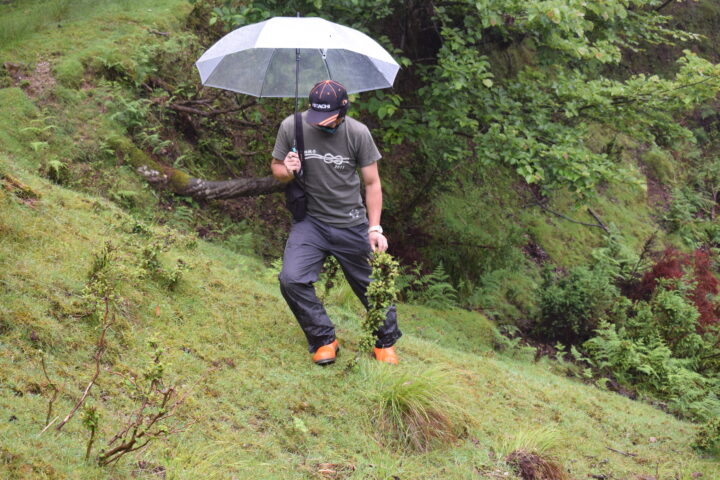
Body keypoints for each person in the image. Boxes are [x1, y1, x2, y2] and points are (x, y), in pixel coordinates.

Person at [271, 80, 402, 366]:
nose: (320, 124)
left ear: (342, 112)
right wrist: (288, 170)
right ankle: (323, 339)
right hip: (311, 222)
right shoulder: (291, 126)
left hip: (351, 222)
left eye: (327, 118)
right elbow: (277, 169)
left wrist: (375, 228)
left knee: (372, 286)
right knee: (290, 279)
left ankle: (385, 342)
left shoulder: (358, 133)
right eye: (315, 117)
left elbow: (372, 182)